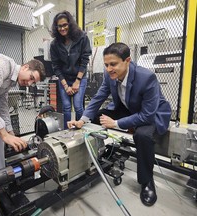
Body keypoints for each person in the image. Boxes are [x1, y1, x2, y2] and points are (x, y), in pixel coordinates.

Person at [68, 42, 171, 206]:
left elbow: (146, 115)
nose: (109, 69)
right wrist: (82, 120)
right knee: (96, 117)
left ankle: (147, 182)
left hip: (151, 113)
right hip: (128, 108)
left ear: (127, 60)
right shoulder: (110, 75)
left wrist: (116, 123)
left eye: (113, 64)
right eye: (107, 65)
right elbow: (98, 99)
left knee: (142, 135)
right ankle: (94, 157)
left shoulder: (146, 77)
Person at [50, 10, 92, 129]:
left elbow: (84, 60)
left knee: (78, 106)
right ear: (56, 27)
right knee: (66, 106)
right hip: (64, 79)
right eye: (59, 26)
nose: (62, 28)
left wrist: (77, 81)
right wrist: (65, 86)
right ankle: (66, 132)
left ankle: (81, 130)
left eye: (65, 25)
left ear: (70, 24)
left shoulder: (82, 38)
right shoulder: (54, 44)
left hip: (79, 77)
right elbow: (56, 67)